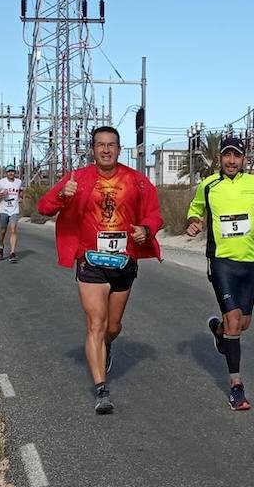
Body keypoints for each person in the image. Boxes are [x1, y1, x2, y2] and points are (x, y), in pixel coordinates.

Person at [36, 126, 164, 414]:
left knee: (112, 327)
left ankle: (105, 346)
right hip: (90, 261)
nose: (106, 150)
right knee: (95, 323)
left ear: (119, 149)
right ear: (92, 149)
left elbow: (155, 214)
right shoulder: (76, 180)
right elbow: (43, 207)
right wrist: (61, 196)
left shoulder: (137, 181)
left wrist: (147, 229)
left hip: (123, 262)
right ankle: (101, 389)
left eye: (111, 145)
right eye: (100, 145)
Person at [183, 135, 254, 410]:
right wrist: (193, 223)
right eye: (226, 155)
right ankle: (237, 387)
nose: (231, 160)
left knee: (241, 324)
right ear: (219, 159)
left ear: (244, 159)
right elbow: (195, 210)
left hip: (249, 261)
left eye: (236, 155)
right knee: (235, 321)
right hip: (221, 260)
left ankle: (218, 331)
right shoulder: (208, 185)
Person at [0, 167, 25, 263]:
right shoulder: (1, 182)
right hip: (4, 209)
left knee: (13, 229)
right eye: (9, 172)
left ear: (15, 173)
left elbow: (21, 190)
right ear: (6, 173)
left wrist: (21, 197)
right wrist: (1, 194)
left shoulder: (19, 182)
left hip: (14, 210)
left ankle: (12, 253)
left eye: (12, 171)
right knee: (3, 231)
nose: (11, 173)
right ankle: (1, 246)